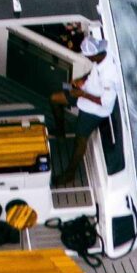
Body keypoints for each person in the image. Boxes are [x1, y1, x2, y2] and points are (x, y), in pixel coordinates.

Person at [52, 25, 118, 182]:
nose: (87, 58)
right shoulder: (103, 57)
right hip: (86, 92)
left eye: (88, 56)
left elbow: (104, 101)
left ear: (94, 55)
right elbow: (93, 71)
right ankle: (60, 132)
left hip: (95, 109)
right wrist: (82, 79)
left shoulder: (110, 76)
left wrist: (82, 94)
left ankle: (70, 173)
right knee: (54, 98)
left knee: (80, 139)